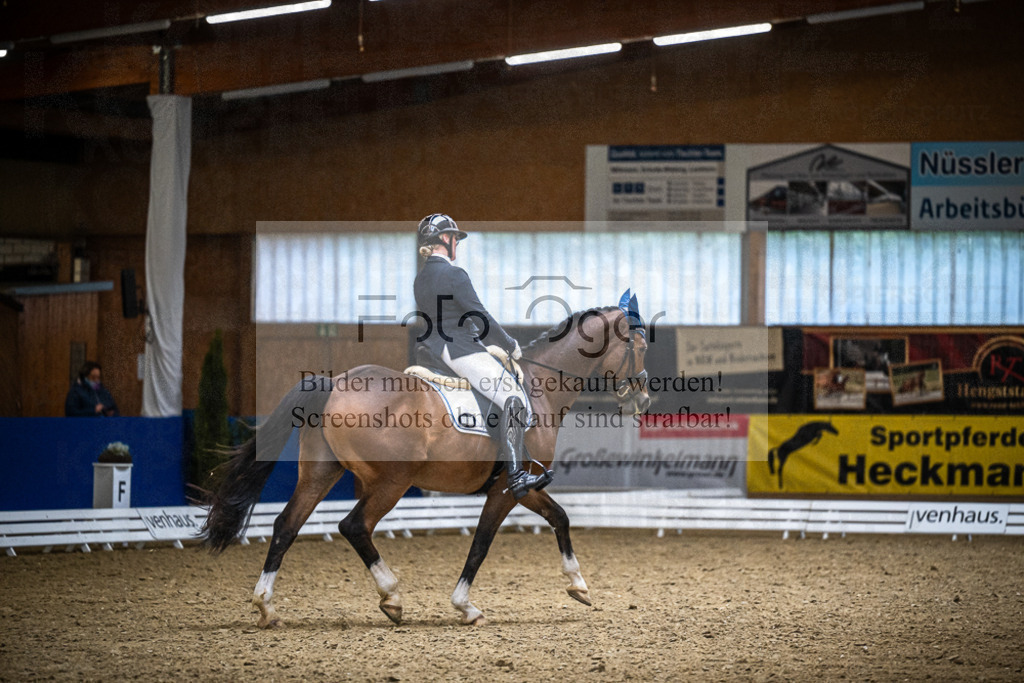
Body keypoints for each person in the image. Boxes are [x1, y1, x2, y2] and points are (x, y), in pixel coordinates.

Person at [413, 213, 551, 500]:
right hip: (461, 350)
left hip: (436, 349)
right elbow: (480, 315)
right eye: (455, 238)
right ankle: (515, 474)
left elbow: (449, 317)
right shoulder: (454, 274)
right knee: (514, 397)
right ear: (445, 239)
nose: (457, 244)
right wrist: (510, 343)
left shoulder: (422, 277)